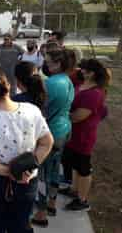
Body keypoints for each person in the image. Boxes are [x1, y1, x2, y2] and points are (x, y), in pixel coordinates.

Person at [0, 69, 54, 233]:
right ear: (9, 86)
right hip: (26, 181)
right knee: (20, 226)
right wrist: (28, 167)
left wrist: (10, 171)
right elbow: (46, 143)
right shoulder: (32, 110)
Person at [32, 49, 75, 228]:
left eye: (49, 62)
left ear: (58, 64)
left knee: (42, 174)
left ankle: (41, 214)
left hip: (50, 132)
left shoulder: (51, 83)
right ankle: (51, 203)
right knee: (55, 169)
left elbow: (42, 108)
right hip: (64, 128)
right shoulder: (67, 80)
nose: (46, 65)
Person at [59, 59, 110, 212]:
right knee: (74, 164)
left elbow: (79, 116)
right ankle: (74, 190)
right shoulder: (82, 86)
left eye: (84, 69)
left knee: (83, 168)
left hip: (84, 136)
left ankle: (82, 200)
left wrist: (62, 115)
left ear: (92, 73)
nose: (81, 70)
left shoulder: (94, 93)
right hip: (74, 135)